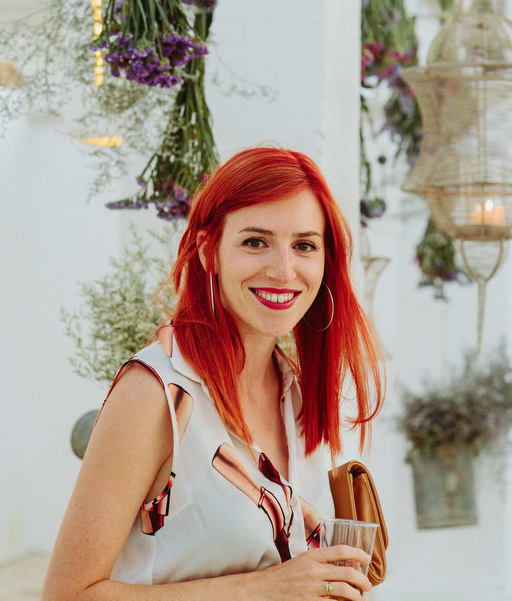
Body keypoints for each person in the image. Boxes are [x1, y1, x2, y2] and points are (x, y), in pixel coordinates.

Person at [42, 146, 385, 601]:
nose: (283, 270)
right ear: (209, 252)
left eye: (304, 245)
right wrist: (263, 589)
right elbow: (68, 595)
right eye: (255, 242)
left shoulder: (296, 393)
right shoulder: (158, 393)